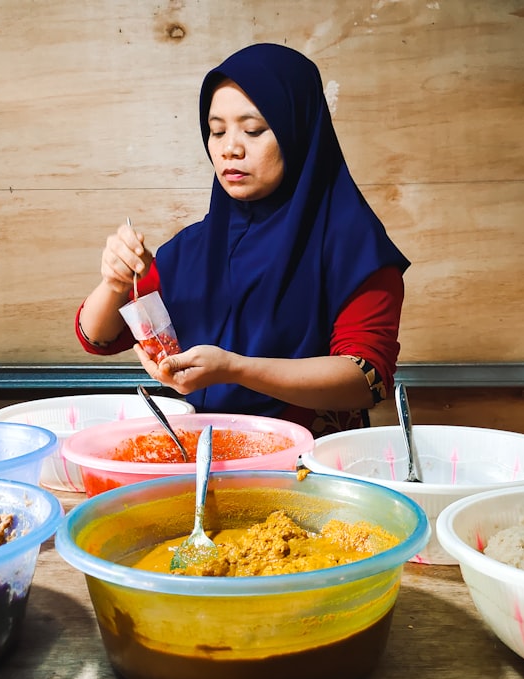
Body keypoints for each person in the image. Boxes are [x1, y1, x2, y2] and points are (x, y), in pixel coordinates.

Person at [75, 43, 409, 436]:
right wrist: (114, 285)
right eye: (216, 131)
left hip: (310, 468)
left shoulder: (355, 247)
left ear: (297, 131)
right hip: (204, 455)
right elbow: (99, 337)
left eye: (253, 130)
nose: (229, 148)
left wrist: (235, 369)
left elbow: (367, 378)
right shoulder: (192, 249)